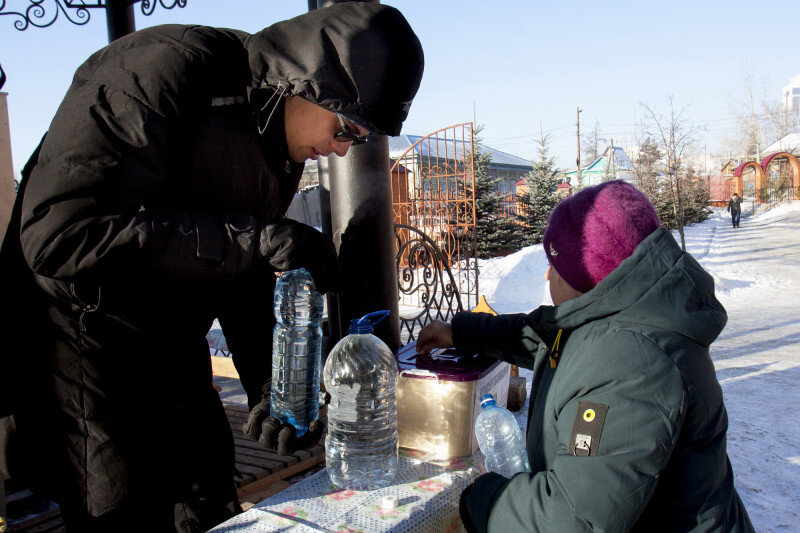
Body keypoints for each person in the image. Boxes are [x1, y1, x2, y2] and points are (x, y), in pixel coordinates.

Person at [0, 4, 423, 532]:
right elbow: (57, 233)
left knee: (208, 504)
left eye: (358, 139)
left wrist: (270, 383)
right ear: (309, 82)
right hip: (81, 348)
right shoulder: (165, 70)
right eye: (347, 128)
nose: (342, 150)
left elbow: (237, 268)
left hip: (172, 342)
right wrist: (257, 241)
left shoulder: (279, 144)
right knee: (123, 514)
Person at [417, 181, 753, 532]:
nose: (548, 274)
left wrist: (480, 497)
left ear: (588, 277)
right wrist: (462, 333)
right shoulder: (617, 315)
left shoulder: (633, 364)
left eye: (555, 264)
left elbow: (571, 519)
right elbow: (547, 337)